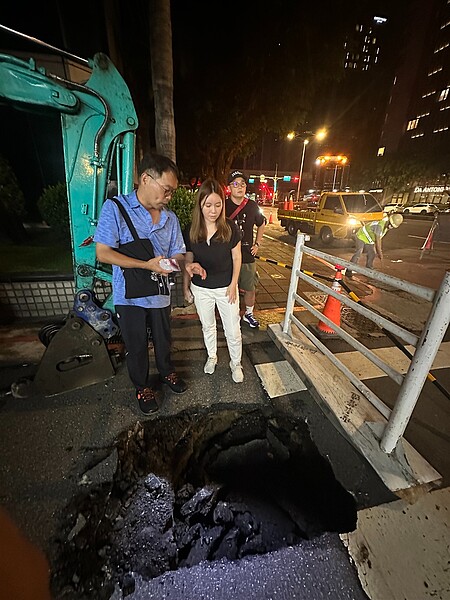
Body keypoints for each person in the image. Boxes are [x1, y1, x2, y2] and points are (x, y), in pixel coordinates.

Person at [94, 153, 187, 415]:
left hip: (159, 293)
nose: (169, 197)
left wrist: (175, 263)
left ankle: (167, 372)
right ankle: (142, 386)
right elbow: (103, 253)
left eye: (172, 192)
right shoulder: (115, 208)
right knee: (135, 344)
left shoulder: (170, 219)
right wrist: (147, 265)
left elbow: (178, 250)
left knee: (163, 338)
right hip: (129, 294)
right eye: (166, 190)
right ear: (146, 179)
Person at [183, 179, 244, 383]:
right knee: (207, 326)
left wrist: (234, 283)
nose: (213, 210)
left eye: (218, 205)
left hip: (226, 287)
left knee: (233, 329)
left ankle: (236, 363)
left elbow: (237, 257)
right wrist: (188, 274)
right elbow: (189, 258)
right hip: (201, 289)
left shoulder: (230, 228)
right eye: (208, 205)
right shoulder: (192, 229)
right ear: (200, 204)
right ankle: (212, 356)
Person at [225, 170, 265, 328]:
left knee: (249, 287)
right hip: (227, 256)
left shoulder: (252, 205)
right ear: (230, 187)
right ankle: (230, 314)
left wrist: (258, 244)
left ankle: (248, 314)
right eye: (236, 184)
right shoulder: (223, 205)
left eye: (242, 184)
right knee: (228, 287)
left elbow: (261, 224)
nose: (240, 187)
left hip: (247, 255)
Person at [347, 213, 404, 278]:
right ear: (389, 221)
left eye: (393, 226)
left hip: (368, 239)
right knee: (359, 252)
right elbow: (378, 241)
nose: (391, 227)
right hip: (361, 236)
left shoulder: (385, 227)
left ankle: (369, 270)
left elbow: (378, 238)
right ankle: (349, 269)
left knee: (372, 254)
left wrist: (377, 251)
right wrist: (380, 253)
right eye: (391, 225)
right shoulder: (380, 226)